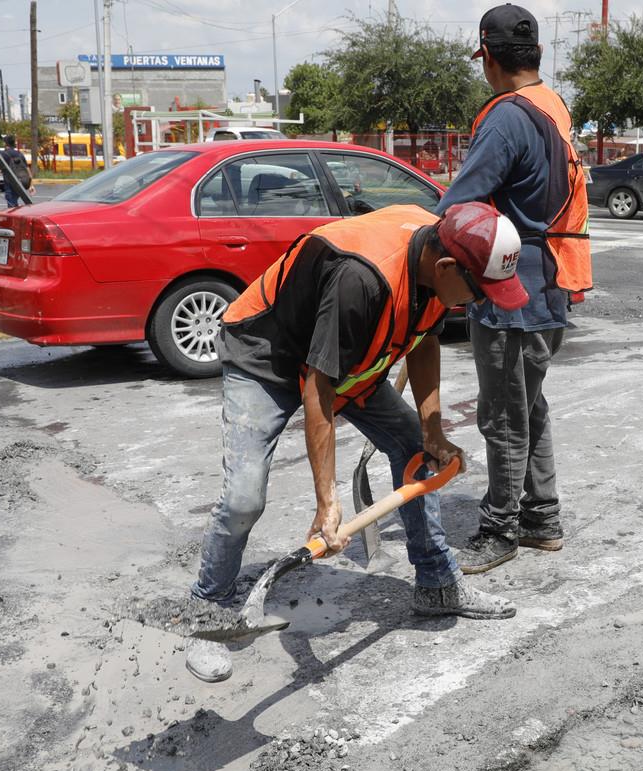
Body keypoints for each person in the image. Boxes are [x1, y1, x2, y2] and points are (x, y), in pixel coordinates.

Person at [185, 202, 530, 683]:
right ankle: (207, 609)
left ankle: (437, 584)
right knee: (244, 496)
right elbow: (317, 388)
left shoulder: (436, 261)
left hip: (343, 364)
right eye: (480, 291)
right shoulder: (362, 279)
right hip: (266, 357)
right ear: (448, 266)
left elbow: (425, 339)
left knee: (413, 447)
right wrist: (327, 501)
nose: (481, 303)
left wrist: (431, 428)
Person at [435, 3, 592, 573]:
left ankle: (499, 527)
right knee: (530, 406)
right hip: (553, 282)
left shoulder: (504, 117)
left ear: (490, 61)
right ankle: (541, 517)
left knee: (503, 414)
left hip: (510, 292)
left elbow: (458, 205)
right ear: (538, 56)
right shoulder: (553, 105)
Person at [0, 134, 34, 209]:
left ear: (5, 143)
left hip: (10, 184)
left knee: (12, 206)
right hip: (21, 183)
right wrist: (31, 185)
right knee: (15, 203)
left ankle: (14, 219)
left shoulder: (3, 154)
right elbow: (27, 170)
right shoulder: (19, 154)